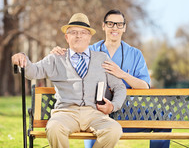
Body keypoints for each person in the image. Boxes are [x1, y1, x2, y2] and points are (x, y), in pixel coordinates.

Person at [51, 9, 171, 148]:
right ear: (103, 26)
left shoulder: (135, 54)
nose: (115, 28)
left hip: (128, 112)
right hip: (95, 112)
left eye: (119, 24)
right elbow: (69, 62)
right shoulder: (88, 51)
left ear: (124, 27)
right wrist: (57, 53)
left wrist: (122, 74)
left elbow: (145, 85)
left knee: (163, 119)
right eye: (110, 23)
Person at [11, 13, 126, 148]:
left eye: (83, 32)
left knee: (114, 130)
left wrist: (113, 106)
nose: (78, 36)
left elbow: (119, 87)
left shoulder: (102, 58)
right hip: (65, 113)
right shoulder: (55, 58)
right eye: (73, 32)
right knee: (54, 128)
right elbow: (32, 72)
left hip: (95, 114)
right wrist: (22, 57)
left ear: (89, 37)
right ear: (67, 37)